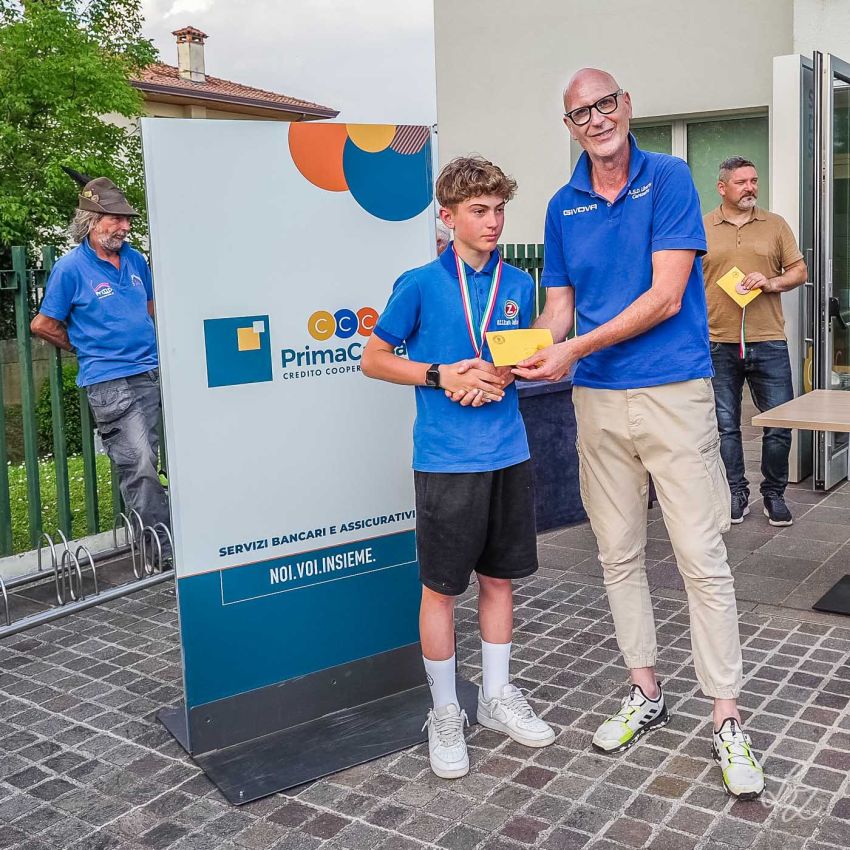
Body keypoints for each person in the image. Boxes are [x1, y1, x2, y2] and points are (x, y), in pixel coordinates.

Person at [513, 69, 764, 799]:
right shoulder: (562, 205)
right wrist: (522, 350)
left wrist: (573, 350)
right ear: (569, 126)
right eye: (579, 113)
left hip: (672, 391)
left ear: (625, 106)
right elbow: (561, 309)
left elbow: (666, 295)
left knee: (700, 558)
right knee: (617, 554)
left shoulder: (670, 178)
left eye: (604, 104)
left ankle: (726, 718)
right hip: (597, 401)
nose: (595, 120)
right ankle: (645, 691)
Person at [362, 155, 555, 779]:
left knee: (500, 581)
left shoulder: (518, 284)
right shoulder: (419, 282)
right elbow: (373, 358)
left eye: (499, 210)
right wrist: (442, 375)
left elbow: (516, 358)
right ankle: (445, 709)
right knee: (441, 590)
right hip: (446, 460)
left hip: (508, 451)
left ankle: (496, 696)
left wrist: (499, 376)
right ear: (447, 217)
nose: (493, 222)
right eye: (479, 211)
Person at [31, 173, 171, 549]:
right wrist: (83, 347)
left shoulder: (135, 260)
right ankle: (160, 550)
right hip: (109, 382)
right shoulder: (70, 268)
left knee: (153, 458)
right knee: (139, 463)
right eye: (116, 219)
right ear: (92, 221)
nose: (125, 226)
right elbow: (43, 324)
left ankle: (172, 537)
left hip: (149, 373)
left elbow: (149, 309)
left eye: (127, 219)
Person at [702, 156, 807, 527]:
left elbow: (799, 271)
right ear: (722, 187)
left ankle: (774, 495)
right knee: (725, 426)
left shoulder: (775, 225)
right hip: (717, 340)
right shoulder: (701, 226)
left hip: (768, 340)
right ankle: (736, 492)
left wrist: (771, 282)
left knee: (779, 424)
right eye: (741, 182)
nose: (750, 187)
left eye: (754, 180)